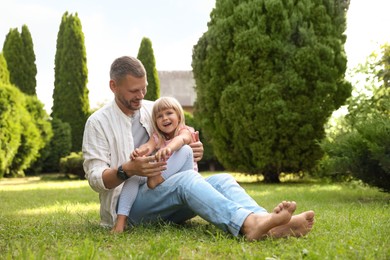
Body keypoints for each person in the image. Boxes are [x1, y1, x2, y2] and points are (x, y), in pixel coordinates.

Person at [82, 55, 315, 240]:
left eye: (144, 89)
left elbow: (179, 134)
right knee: (187, 181)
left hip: (163, 192)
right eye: (134, 91)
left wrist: (194, 146)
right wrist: (127, 169)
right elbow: (95, 179)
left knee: (222, 179)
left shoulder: (153, 109)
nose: (141, 96)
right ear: (113, 86)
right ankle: (250, 225)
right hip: (129, 207)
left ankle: (266, 222)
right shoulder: (98, 123)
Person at [113, 96, 199, 232]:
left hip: (184, 179)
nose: (165, 118)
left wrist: (169, 148)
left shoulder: (185, 130)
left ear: (178, 115)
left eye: (169, 113)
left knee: (185, 149)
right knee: (134, 176)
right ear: (155, 121)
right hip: (163, 182)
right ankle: (121, 221)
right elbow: (148, 146)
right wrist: (139, 152)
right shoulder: (158, 137)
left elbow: (182, 140)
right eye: (160, 116)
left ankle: (158, 178)